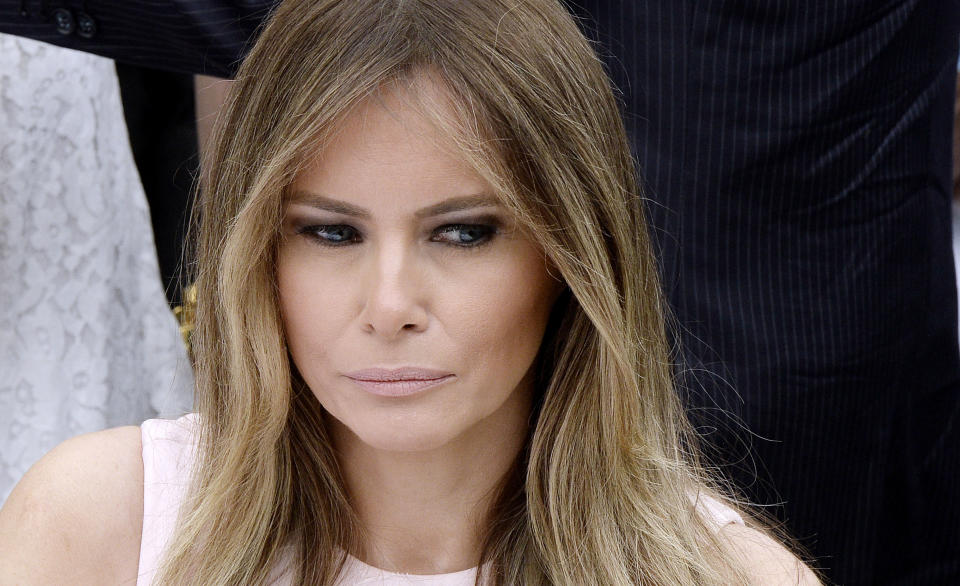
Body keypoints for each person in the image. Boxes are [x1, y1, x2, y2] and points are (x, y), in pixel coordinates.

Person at [0, 1, 819, 584]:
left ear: (569, 253)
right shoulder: (100, 526)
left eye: (463, 233)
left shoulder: (726, 573)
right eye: (331, 233)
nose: (390, 304)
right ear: (258, 253)